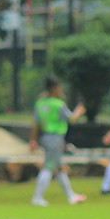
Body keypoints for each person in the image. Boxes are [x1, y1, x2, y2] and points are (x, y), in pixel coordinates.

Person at [29, 76, 86, 206]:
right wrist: (79, 111)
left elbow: (35, 124)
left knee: (60, 167)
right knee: (48, 167)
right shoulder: (58, 104)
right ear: (55, 89)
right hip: (55, 137)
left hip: (45, 137)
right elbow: (71, 119)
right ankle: (37, 197)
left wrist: (32, 140)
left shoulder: (40, 103)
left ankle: (70, 196)